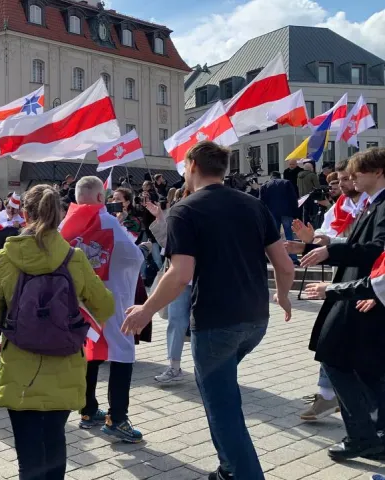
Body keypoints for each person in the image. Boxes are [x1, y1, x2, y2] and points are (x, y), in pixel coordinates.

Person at [122, 141, 295, 480]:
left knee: (223, 407)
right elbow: (285, 266)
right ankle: (229, 469)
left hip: (216, 321)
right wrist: (285, 298)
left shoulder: (186, 210)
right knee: (221, 394)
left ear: (191, 165)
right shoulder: (253, 204)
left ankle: (243, 473)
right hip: (256, 319)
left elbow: (180, 274)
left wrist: (145, 308)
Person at [0, 184, 114, 480]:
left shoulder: (6, 257)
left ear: (24, 214)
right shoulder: (75, 258)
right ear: (59, 216)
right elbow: (105, 306)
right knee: (55, 441)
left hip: (20, 366)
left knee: (28, 453)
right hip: (64, 362)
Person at [294, 148, 385, 461]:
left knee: (334, 356)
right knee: (368, 368)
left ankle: (363, 435)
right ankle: (375, 433)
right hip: (363, 292)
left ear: (378, 172)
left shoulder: (383, 205)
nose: (352, 178)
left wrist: (338, 278)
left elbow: (375, 251)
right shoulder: (373, 204)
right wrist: (323, 246)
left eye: (358, 172)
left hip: (361, 293)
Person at [62, 176, 144, 443]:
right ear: (100, 198)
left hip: (82, 302)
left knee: (91, 349)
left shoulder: (67, 224)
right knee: (122, 351)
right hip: (113, 299)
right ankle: (117, 418)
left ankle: (87, 410)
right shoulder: (108, 222)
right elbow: (135, 257)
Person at [288, 159, 366, 421]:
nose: (341, 185)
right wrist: (312, 242)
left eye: (346, 179)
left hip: (370, 282)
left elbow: (363, 244)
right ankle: (328, 395)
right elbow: (327, 233)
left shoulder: (374, 204)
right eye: (338, 181)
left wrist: (321, 244)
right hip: (344, 280)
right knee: (331, 337)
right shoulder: (342, 206)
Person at [147, 186, 193, 383]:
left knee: (205, 324)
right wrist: (160, 218)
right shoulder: (178, 213)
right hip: (179, 278)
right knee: (176, 320)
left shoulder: (214, 212)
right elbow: (169, 241)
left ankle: (208, 369)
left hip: (208, 278)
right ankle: (174, 366)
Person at [259, 171, 300, 263]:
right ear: (280, 176)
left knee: (273, 237)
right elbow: (293, 198)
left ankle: (272, 258)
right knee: (289, 234)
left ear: (271, 177)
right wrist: (295, 213)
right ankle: (293, 258)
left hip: (271, 213)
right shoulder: (286, 183)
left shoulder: (265, 186)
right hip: (286, 212)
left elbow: (261, 202)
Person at [297, 161, 321, 226]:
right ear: (311, 168)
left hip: (302, 196)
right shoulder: (312, 175)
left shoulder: (299, 175)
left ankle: (305, 224)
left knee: (305, 211)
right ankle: (312, 225)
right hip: (311, 196)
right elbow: (317, 186)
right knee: (313, 212)